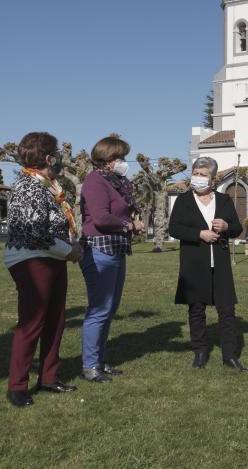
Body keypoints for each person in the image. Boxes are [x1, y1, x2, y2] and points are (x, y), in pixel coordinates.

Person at [4, 131, 82, 407]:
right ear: (49, 157)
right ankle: (17, 386)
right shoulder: (28, 186)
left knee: (55, 321)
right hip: (32, 259)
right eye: (58, 153)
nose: (61, 157)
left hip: (51, 258)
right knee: (32, 322)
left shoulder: (48, 185)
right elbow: (35, 232)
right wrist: (68, 250)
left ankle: (49, 376)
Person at [167, 157, 246, 371]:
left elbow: (237, 228)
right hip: (194, 261)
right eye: (196, 173)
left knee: (227, 309)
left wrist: (227, 225)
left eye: (203, 175)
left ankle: (229, 354)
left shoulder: (224, 200)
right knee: (196, 308)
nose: (198, 178)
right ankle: (200, 351)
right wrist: (198, 234)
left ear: (213, 179)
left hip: (219, 262)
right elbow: (173, 229)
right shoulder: (183, 200)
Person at [79, 136, 144, 383]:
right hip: (98, 250)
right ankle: (90, 365)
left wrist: (131, 224)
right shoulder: (95, 181)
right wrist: (128, 224)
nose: (123, 162)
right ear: (107, 160)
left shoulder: (116, 182)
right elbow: (101, 218)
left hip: (115, 249)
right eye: (120, 157)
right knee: (99, 309)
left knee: (109, 309)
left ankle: (99, 361)